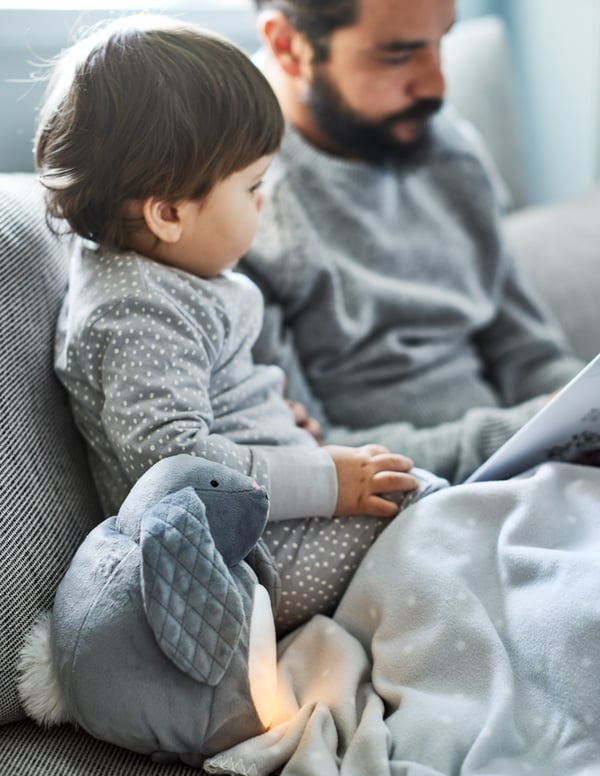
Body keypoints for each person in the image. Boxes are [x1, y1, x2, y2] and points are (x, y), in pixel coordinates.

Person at [37, 14, 430, 636]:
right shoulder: (136, 310)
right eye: (251, 186)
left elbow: (206, 406)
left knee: (439, 505)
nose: (262, 201)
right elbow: (174, 463)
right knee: (430, 514)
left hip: (271, 529)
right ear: (168, 212)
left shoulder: (160, 276)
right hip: (249, 558)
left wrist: (277, 424)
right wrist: (325, 481)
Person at [238, 0, 584, 484]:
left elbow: (529, 355)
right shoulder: (233, 211)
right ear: (287, 44)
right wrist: (523, 432)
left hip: (525, 470)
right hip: (397, 507)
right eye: (397, 56)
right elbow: (311, 455)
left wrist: (578, 415)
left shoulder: (447, 147)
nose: (436, 86)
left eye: (440, 42)